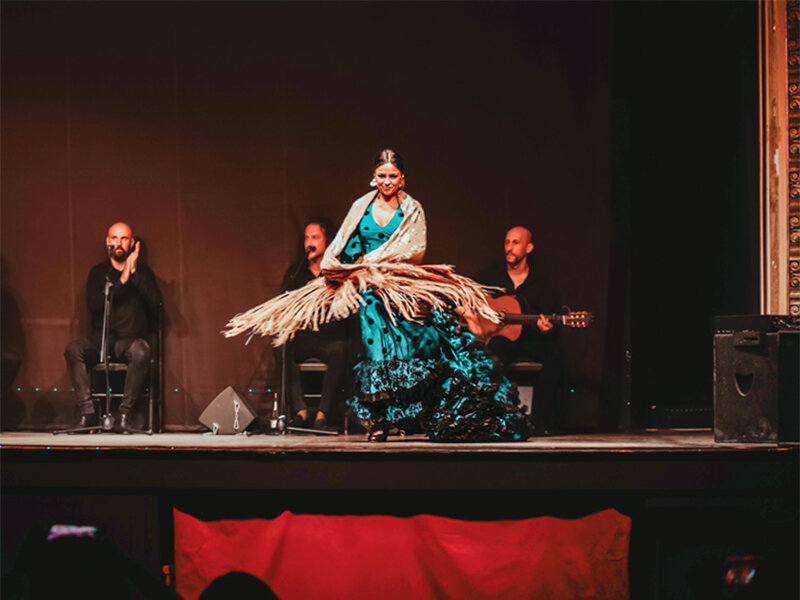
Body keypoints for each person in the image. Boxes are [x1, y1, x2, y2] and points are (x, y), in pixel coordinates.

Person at [225, 150, 530, 442]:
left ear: (402, 178)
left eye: (393, 176)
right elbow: (344, 244)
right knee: (377, 352)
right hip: (370, 291)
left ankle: (413, 415)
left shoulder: (412, 209)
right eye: (382, 175)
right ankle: (379, 422)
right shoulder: (362, 207)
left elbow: (416, 250)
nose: (387, 182)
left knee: (412, 349)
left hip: (403, 291)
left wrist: (377, 264)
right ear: (374, 176)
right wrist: (346, 268)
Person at [64, 222, 162, 431]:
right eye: (115, 238)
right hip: (100, 339)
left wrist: (133, 276)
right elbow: (94, 305)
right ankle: (87, 412)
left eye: (124, 238)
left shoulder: (143, 273)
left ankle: (125, 415)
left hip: (129, 341)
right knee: (73, 349)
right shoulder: (99, 273)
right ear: (108, 242)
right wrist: (122, 278)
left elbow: (156, 304)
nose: (119, 243)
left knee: (141, 350)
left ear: (132, 243)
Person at [479, 226, 563, 435]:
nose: (509, 248)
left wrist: (546, 328)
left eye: (515, 243)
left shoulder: (541, 283)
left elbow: (551, 317)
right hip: (503, 338)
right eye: (507, 242)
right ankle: (493, 417)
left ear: (528, 248)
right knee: (490, 357)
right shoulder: (491, 275)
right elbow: (470, 299)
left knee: (555, 359)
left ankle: (538, 421)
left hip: (532, 339)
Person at [281, 218, 350, 430]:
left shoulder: (337, 273)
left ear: (326, 242)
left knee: (341, 350)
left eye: (315, 238)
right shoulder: (296, 272)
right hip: (305, 337)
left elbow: (348, 307)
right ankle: (301, 411)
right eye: (306, 238)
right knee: (283, 348)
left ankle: (323, 413)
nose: (309, 243)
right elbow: (283, 302)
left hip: (329, 338)